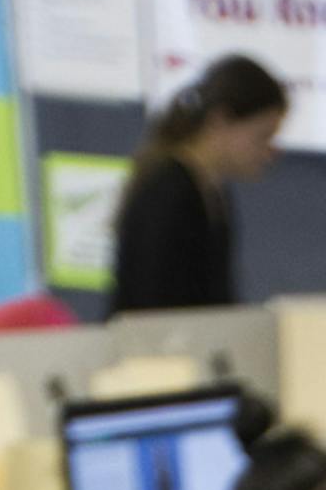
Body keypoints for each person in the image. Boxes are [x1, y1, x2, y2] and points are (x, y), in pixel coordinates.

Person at [110, 55, 287, 316]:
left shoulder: (213, 190)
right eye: (261, 136)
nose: (271, 151)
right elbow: (151, 308)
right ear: (219, 121)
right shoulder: (167, 194)